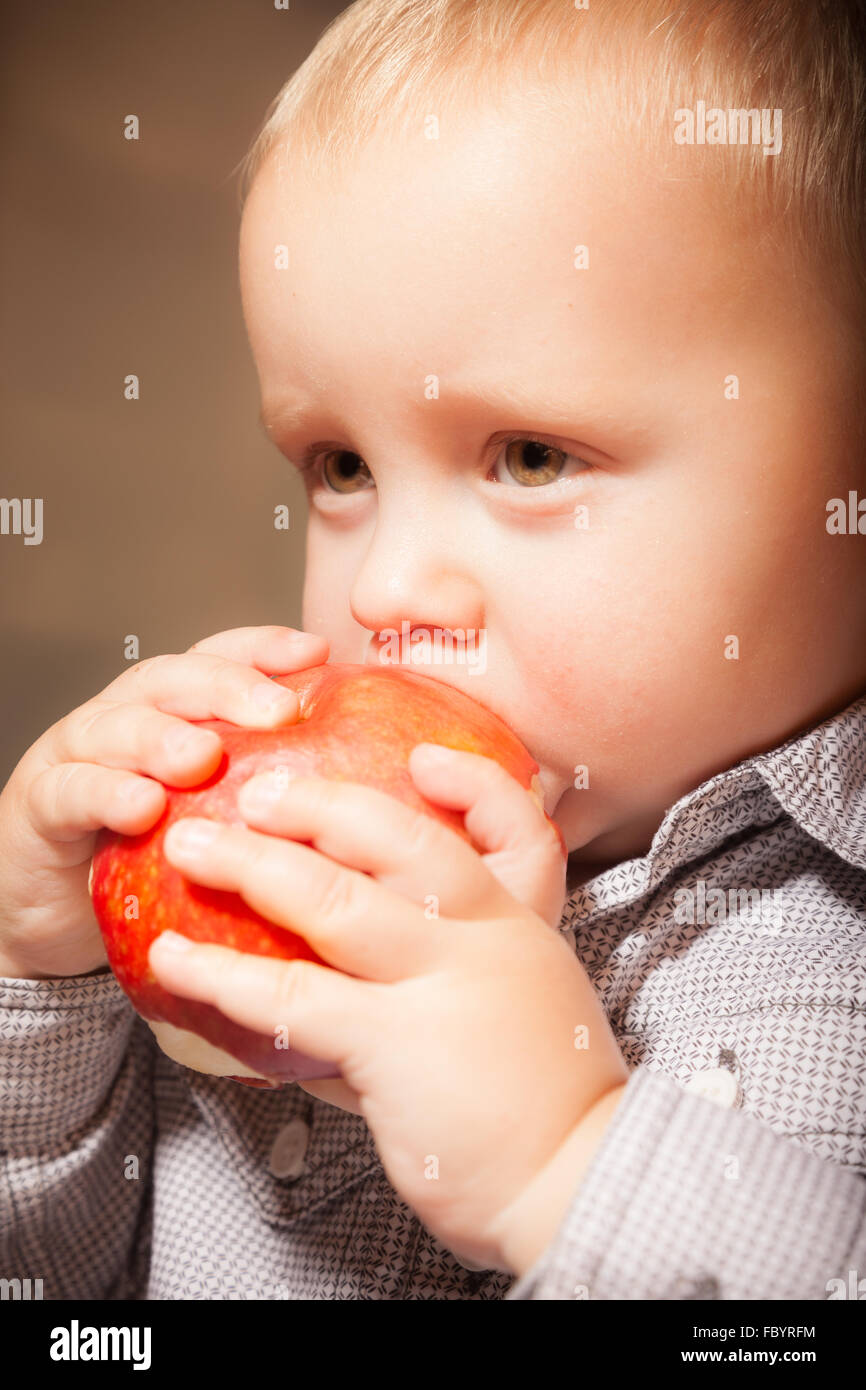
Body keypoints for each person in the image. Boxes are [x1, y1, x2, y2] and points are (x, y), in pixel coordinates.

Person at [1, 0, 864, 1299]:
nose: (389, 584)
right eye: (340, 466)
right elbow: (59, 1288)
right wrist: (41, 984)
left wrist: (564, 1166)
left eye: (528, 456)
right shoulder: (311, 887)